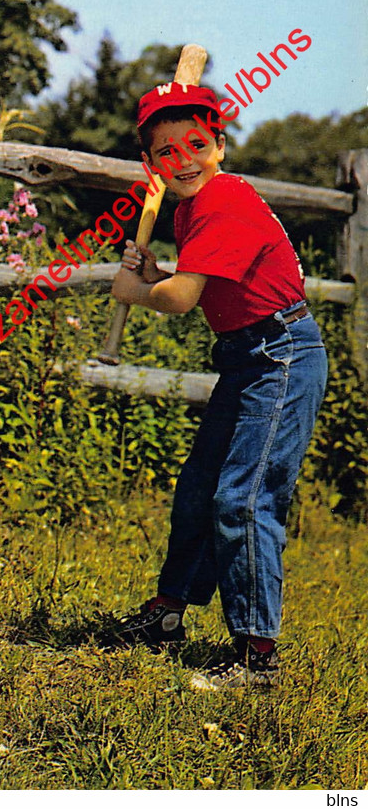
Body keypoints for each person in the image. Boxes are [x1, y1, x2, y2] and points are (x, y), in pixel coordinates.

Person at [108, 84, 327, 690]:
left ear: (221, 147)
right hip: (244, 356)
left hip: (281, 355)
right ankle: (169, 613)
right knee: (200, 488)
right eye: (166, 151)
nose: (183, 159)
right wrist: (157, 273)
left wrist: (139, 292)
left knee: (244, 498)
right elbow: (198, 279)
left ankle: (257, 655)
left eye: (197, 144)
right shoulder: (189, 208)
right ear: (150, 167)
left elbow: (181, 300)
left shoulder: (225, 199)